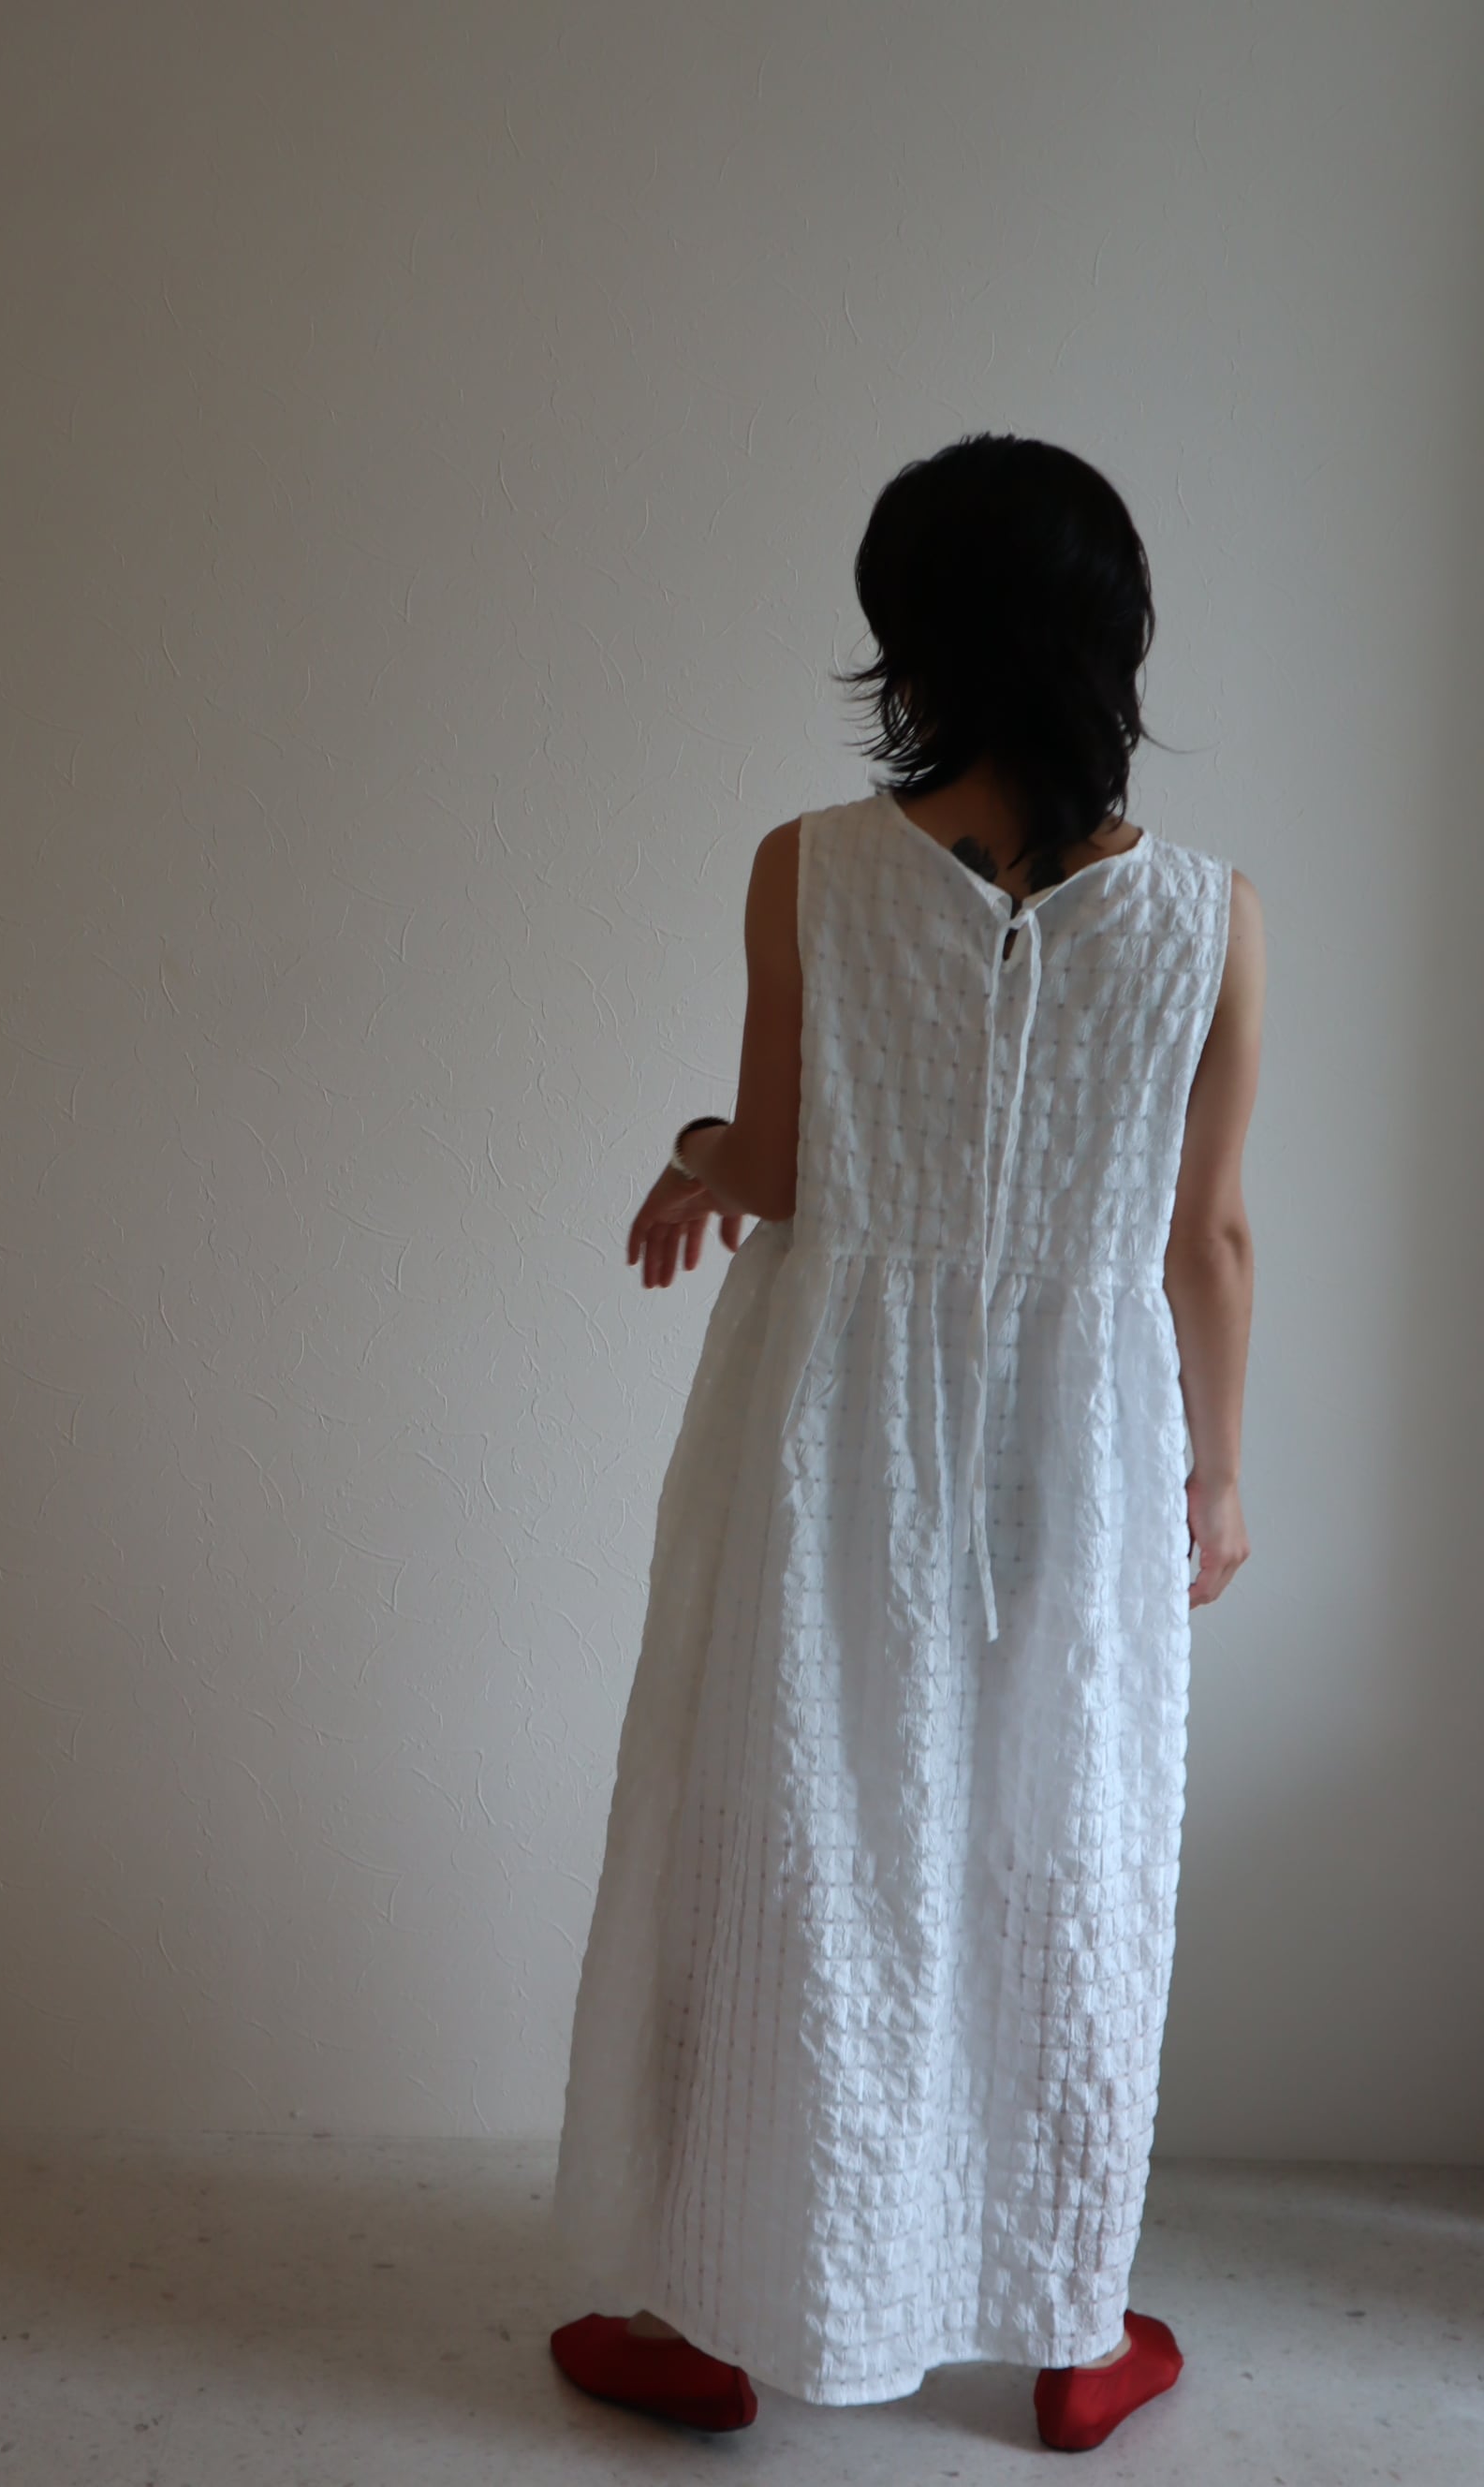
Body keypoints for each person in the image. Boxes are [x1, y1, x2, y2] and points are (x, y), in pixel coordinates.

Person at [548, 434, 1264, 2454]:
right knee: (1064, 1846)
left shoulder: (810, 867)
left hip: (837, 1434)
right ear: (1116, 638)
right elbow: (1207, 1238)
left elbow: (784, 1165)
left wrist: (696, 1148)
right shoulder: (1213, 918)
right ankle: (1069, 2326)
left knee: (797, 1827)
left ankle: (717, 2306)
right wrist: (1216, 1476)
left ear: (911, 640)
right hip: (1085, 1448)